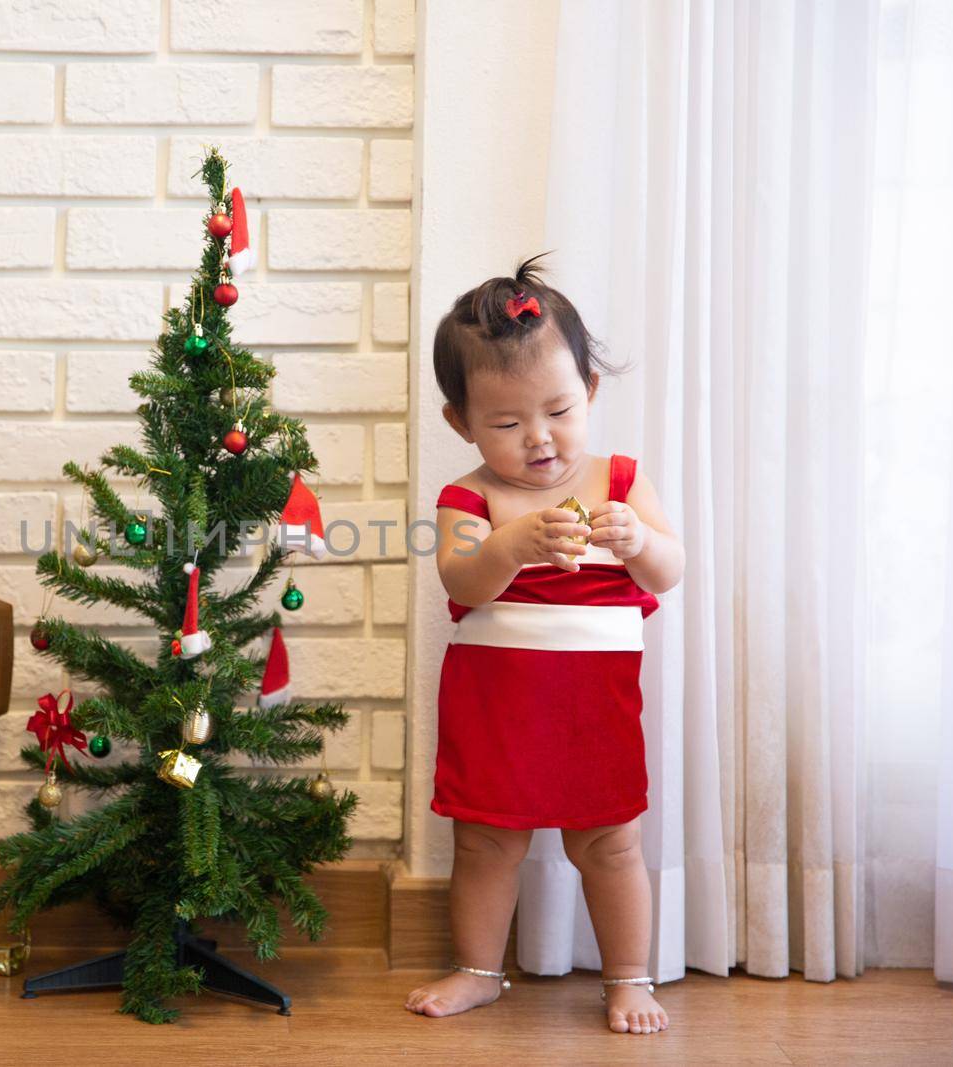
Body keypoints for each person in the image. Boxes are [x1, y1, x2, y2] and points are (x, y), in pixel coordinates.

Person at [404, 255, 684, 1035]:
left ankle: (629, 976)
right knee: (487, 841)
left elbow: (671, 570)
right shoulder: (470, 496)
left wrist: (638, 541)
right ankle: (478, 969)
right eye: (505, 423)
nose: (538, 439)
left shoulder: (621, 482)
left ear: (590, 391)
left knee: (612, 844)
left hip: (593, 704)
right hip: (498, 701)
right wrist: (514, 542)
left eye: (559, 410)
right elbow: (462, 583)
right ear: (461, 422)